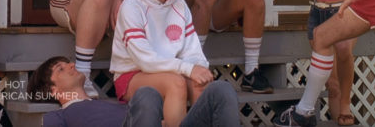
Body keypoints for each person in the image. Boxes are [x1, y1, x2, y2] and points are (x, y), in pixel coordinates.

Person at [110, 0, 239, 127]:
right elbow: (144, 59)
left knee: (199, 83)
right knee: (175, 83)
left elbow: (192, 50)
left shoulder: (179, 5)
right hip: (133, 74)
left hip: (170, 69)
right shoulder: (132, 5)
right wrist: (187, 69)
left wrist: (199, 69)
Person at [28, 56, 240, 127]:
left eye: (69, 63)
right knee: (147, 94)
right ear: (52, 90)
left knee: (220, 90)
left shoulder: (111, 105)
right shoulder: (59, 115)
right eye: (61, 69)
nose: (71, 65)